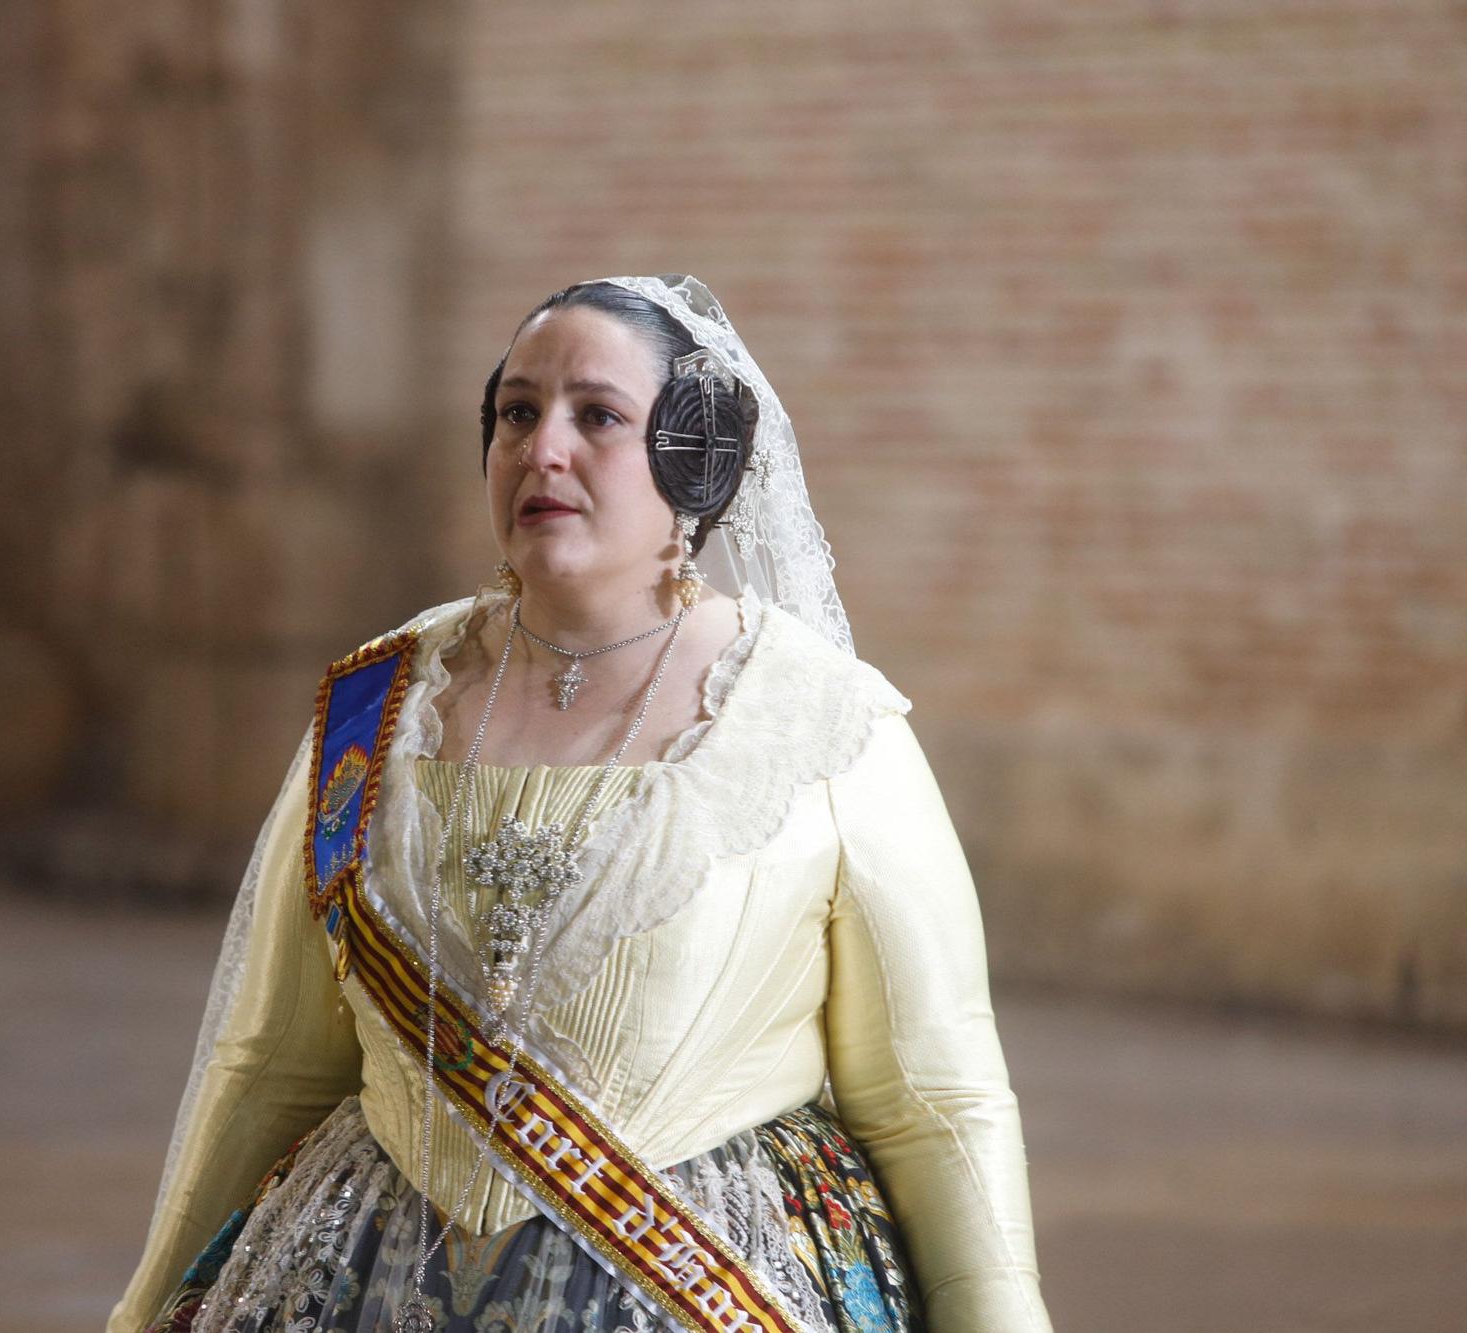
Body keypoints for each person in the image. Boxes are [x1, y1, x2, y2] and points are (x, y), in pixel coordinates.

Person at [111, 275, 1052, 1333]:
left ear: (693, 455)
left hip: (694, 1283)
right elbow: (270, 1062)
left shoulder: (817, 723)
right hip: (365, 1279)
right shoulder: (380, 702)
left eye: (594, 415)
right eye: (516, 412)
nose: (539, 450)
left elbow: (934, 1103)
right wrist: (146, 1307)